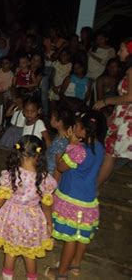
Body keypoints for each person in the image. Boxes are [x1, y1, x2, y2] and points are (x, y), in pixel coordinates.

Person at [0, 135, 57, 280]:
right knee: (30, 255)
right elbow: (47, 204)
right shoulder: (44, 179)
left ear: (18, 154)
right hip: (32, 223)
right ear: (39, 155)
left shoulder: (11, 176)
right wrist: (49, 223)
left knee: (10, 252)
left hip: (12, 220)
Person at [46, 111, 105, 279]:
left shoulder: (79, 150)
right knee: (82, 235)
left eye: (77, 126)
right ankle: (75, 265)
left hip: (72, 199)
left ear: (84, 130)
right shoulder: (99, 148)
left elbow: (61, 167)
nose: (74, 128)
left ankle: (62, 273)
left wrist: (70, 145)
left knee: (70, 238)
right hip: (88, 199)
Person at [93, 39, 132, 184]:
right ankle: (94, 186)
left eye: (121, 50)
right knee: (111, 152)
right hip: (123, 117)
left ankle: (93, 187)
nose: (118, 52)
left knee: (111, 153)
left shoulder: (131, 70)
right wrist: (114, 115)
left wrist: (105, 101)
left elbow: (129, 97)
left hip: (127, 120)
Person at [47, 106, 75, 177]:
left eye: (52, 117)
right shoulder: (62, 137)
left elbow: (58, 166)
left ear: (59, 122)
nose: (50, 119)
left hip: (51, 175)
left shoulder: (61, 142)